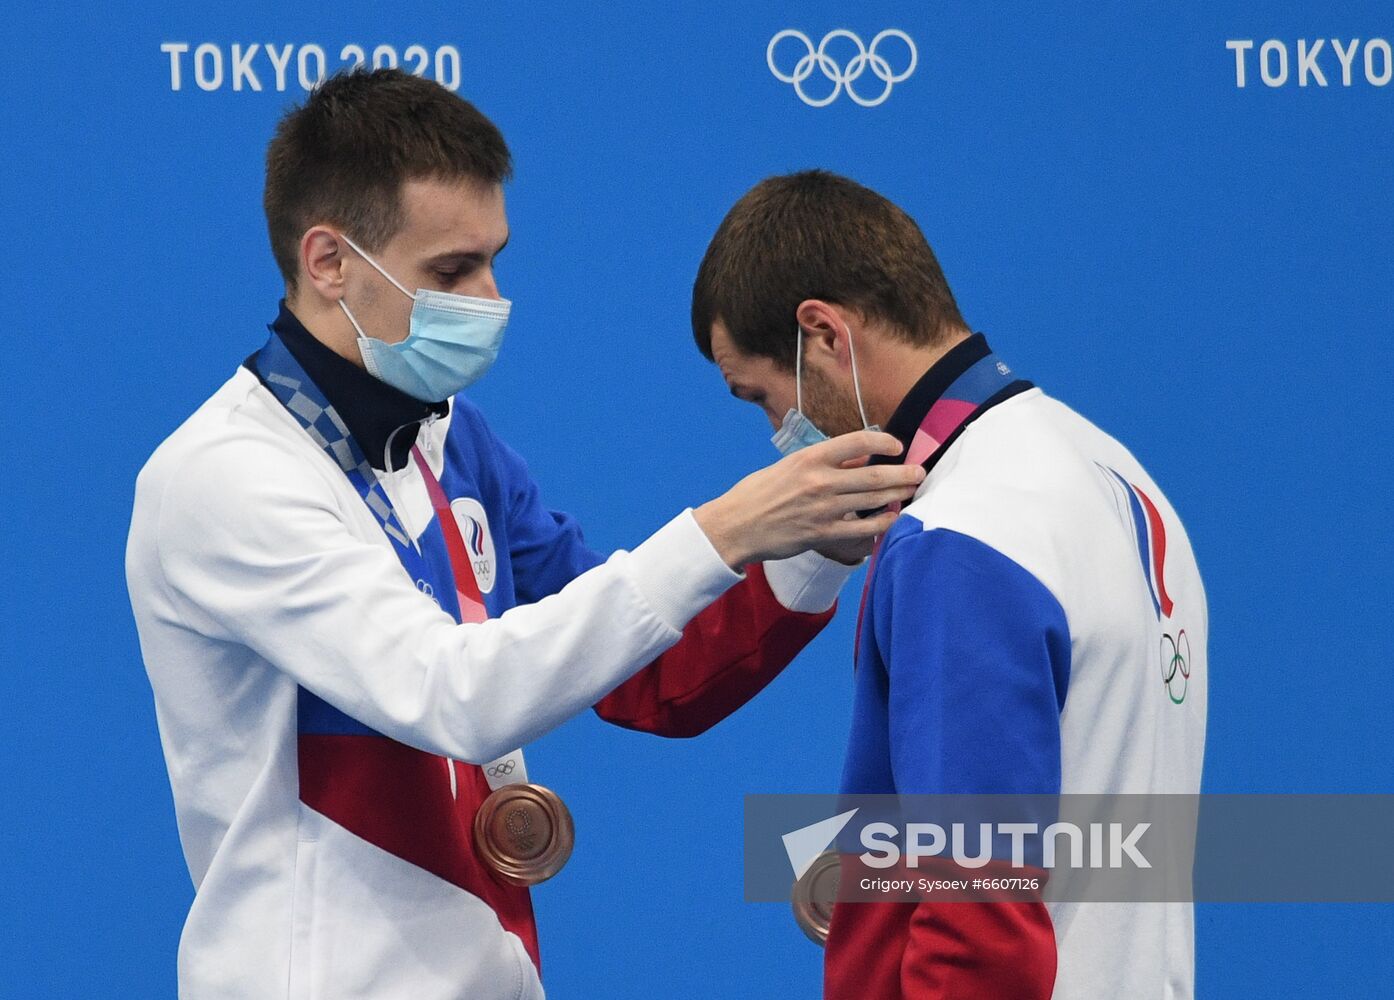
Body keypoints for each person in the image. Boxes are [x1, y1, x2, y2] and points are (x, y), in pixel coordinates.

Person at [124, 71, 925, 1000]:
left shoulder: (448, 434)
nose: (492, 298)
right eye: (453, 272)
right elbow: (453, 695)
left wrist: (817, 545)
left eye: (495, 260)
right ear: (329, 262)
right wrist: (729, 524)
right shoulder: (227, 477)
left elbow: (647, 671)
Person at [691, 170, 1208, 998]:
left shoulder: (962, 536)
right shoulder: (1114, 472)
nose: (777, 434)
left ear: (822, 333)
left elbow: (979, 923)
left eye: (763, 396)